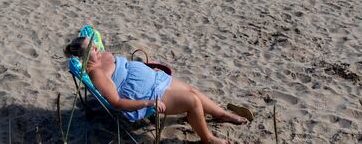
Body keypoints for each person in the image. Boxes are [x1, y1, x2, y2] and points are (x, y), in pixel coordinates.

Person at [64, 36, 248, 144]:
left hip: (154, 78)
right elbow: (117, 103)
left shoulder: (100, 54)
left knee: (192, 90)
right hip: (146, 94)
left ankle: (222, 114)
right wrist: (148, 103)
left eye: (95, 44)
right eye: (92, 48)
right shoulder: (97, 73)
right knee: (192, 101)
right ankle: (208, 139)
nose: (97, 46)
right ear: (84, 57)